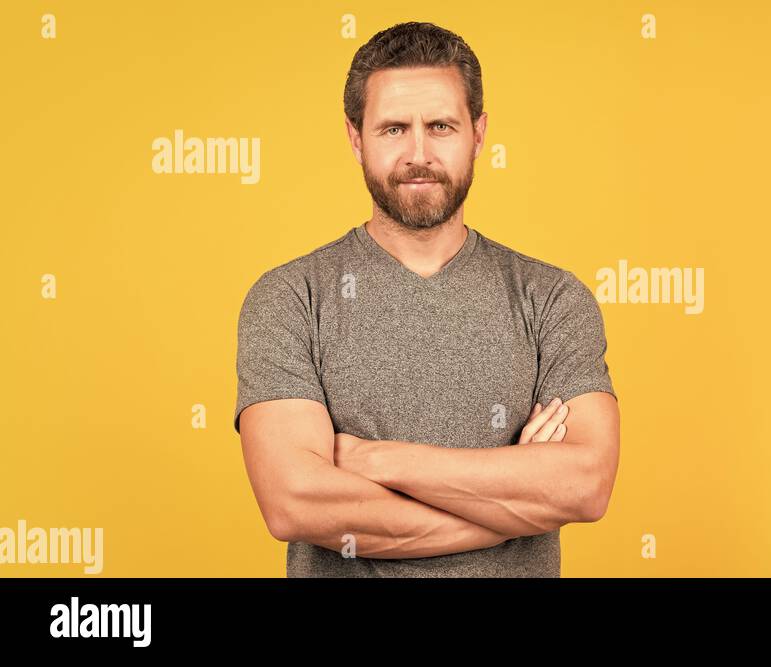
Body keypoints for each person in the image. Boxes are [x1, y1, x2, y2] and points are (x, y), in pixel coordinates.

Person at [233, 21, 619, 577]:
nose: (418, 153)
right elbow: (296, 503)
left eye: (441, 125)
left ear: (479, 133)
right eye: (393, 129)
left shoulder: (552, 299)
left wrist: (374, 458)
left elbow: (584, 486)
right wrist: (514, 506)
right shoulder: (290, 298)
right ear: (355, 137)